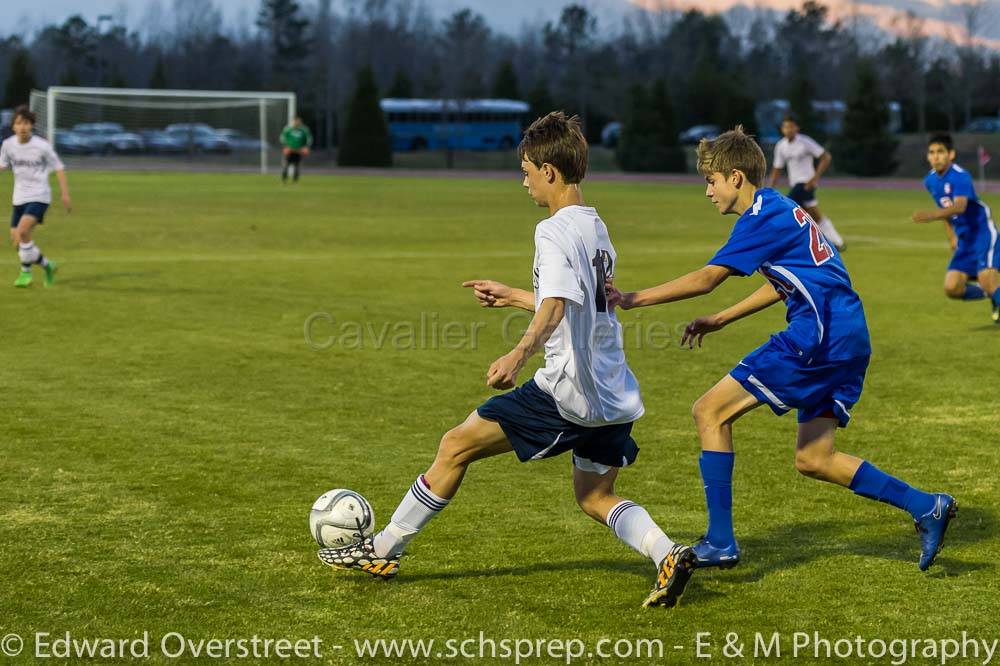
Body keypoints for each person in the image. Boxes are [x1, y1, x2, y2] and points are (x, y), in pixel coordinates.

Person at [317, 112, 696, 608]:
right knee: (594, 498)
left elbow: (558, 307)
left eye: (526, 171)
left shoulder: (552, 230)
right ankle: (668, 553)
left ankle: (383, 549)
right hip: (614, 391)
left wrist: (518, 353)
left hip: (567, 390)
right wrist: (517, 294)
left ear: (550, 172)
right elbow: (573, 298)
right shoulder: (596, 227)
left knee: (455, 445)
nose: (524, 182)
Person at [607, 126, 955, 601]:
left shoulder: (759, 216)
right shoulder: (781, 207)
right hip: (848, 335)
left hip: (818, 337)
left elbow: (709, 277)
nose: (706, 190)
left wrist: (632, 297)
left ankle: (721, 541)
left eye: (711, 180)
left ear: (735, 176)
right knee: (814, 458)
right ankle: (926, 505)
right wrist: (724, 319)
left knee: (709, 411)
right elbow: (782, 281)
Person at [911, 133, 999, 323]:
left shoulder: (960, 176)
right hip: (965, 238)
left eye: (940, 152)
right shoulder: (930, 180)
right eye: (932, 152)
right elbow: (947, 211)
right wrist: (952, 237)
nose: (935, 156)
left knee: (986, 279)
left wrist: (930, 215)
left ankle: (994, 291)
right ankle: (993, 294)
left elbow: (960, 207)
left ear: (951, 154)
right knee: (952, 288)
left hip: (982, 231)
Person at [0, 105, 70, 288]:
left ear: (32, 125)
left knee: (23, 232)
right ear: (13, 127)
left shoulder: (42, 146)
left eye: (26, 123)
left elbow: (59, 168)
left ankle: (26, 274)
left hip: (40, 196)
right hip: (19, 198)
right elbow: (2, 165)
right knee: (18, 240)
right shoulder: (8, 145)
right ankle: (48, 266)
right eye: (18, 123)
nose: (22, 127)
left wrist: (64, 193)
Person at [768, 114, 846, 251]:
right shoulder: (781, 146)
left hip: (805, 184)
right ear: (782, 129)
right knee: (813, 215)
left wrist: (815, 178)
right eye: (786, 127)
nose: (788, 130)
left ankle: (784, 244)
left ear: (797, 128)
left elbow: (825, 157)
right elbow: (777, 169)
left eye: (791, 127)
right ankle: (836, 242)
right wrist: (770, 188)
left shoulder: (805, 142)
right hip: (796, 185)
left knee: (789, 209)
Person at [280, 116, 313, 184]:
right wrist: (285, 146)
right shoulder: (288, 129)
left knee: (297, 166)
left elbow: (309, 139)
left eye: (298, 121)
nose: (297, 123)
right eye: (296, 121)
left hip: (298, 151)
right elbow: (282, 138)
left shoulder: (304, 130)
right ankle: (284, 180)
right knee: (286, 165)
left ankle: (295, 181)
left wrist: (306, 147)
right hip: (290, 150)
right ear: (293, 121)